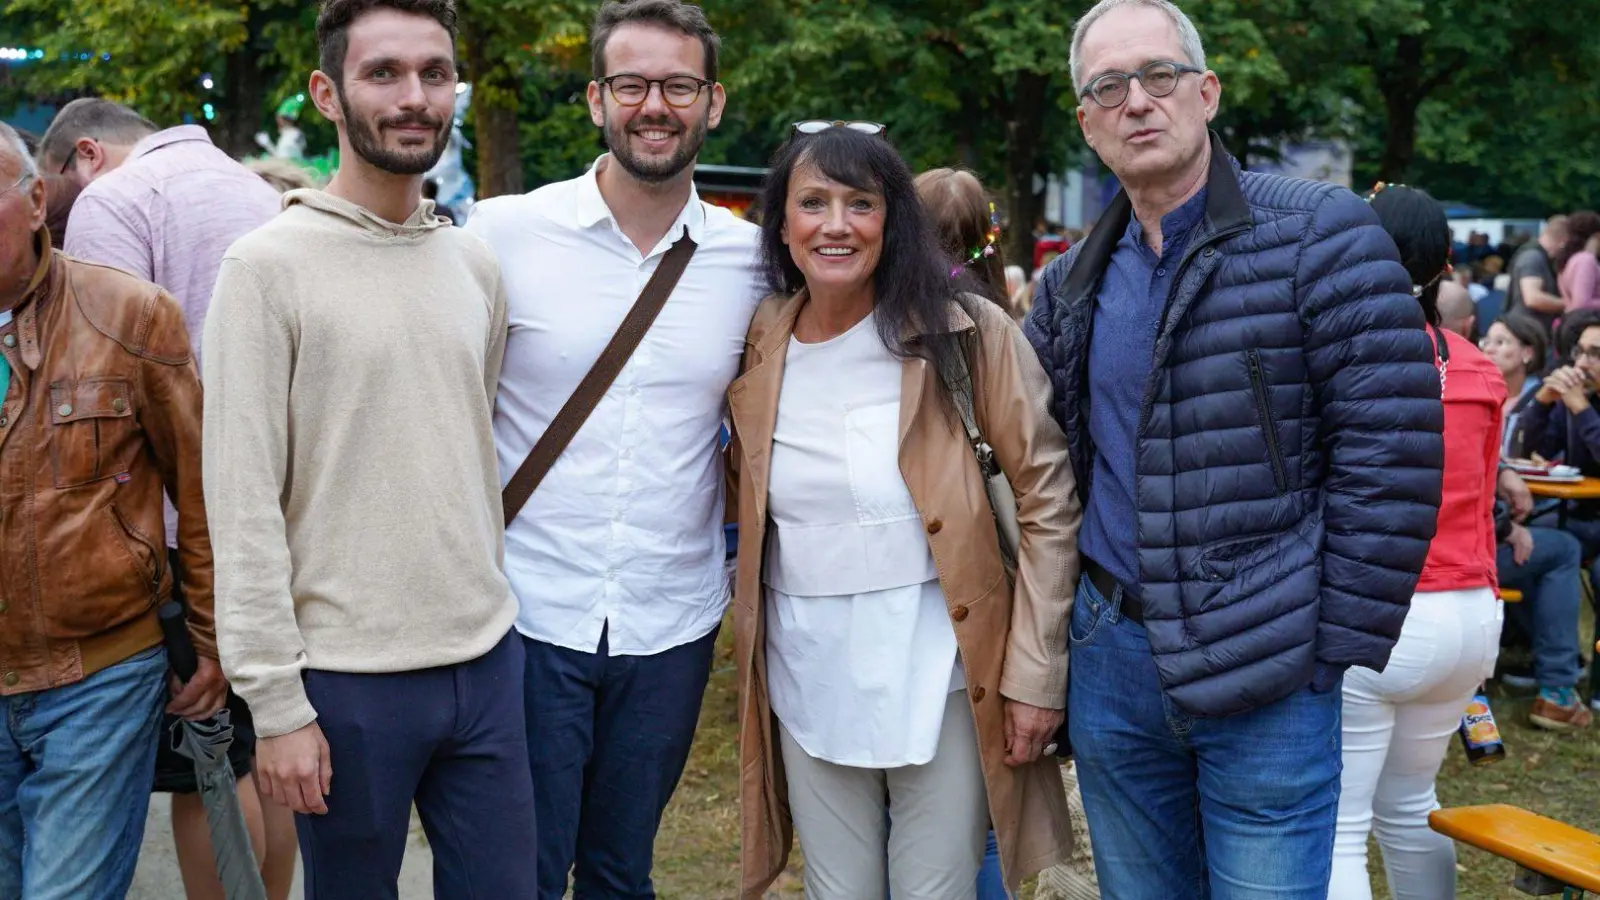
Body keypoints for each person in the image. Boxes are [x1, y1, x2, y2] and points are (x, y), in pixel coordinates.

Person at [1024, 2, 1445, 896]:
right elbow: (1051, 470)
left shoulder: (1321, 234)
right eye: (1109, 85)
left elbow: (1392, 457)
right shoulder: (1069, 287)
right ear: (1087, 120)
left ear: (1206, 92)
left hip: (1271, 668)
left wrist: (1327, 648)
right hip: (1114, 664)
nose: (1138, 100)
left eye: (1160, 76)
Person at [201, 1, 537, 896]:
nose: (415, 96)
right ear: (327, 92)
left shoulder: (473, 265)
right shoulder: (264, 270)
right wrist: (274, 706)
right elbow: (239, 507)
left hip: (488, 660)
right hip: (346, 684)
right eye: (383, 73)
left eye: (434, 73)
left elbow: (467, 444)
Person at [731, 122, 1077, 900]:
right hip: (807, 673)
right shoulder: (761, 342)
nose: (836, 224)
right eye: (812, 202)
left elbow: (1047, 499)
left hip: (946, 673)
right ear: (782, 224)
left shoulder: (968, 333)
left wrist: (1036, 673)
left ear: (894, 221)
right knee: (838, 890)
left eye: (862, 202)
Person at [462, 2, 760, 896]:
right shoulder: (502, 234)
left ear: (712, 102)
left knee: (623, 874)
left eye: (678, 85)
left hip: (670, 622)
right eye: (632, 84)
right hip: (525, 611)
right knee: (515, 872)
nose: (654, 106)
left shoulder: (752, 261)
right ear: (596, 100)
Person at [35, 94, 295, 900]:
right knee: (266, 746)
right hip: (278, 506)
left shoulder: (115, 203)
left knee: (205, 763)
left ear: (86, 155)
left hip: (184, 528)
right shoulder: (252, 188)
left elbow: (103, 384)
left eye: (49, 192)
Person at [0, 120, 224, 899]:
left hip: (98, 674)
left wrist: (210, 638)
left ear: (34, 201)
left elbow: (196, 484)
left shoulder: (130, 314)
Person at [1328, 184, 1505, 900]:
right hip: (1471, 616)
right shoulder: (1479, 367)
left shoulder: (1349, 360)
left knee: (1340, 824)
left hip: (1389, 615)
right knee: (1409, 807)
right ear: (1445, 267)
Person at [1479, 314, 1591, 728]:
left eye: (1594, 354)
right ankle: (1558, 687)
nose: (1582, 364)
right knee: (1559, 548)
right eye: (1579, 352)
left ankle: (1549, 669)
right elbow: (1520, 446)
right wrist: (1506, 526)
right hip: (1471, 543)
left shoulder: (1455, 383)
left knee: (1559, 545)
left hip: (1562, 511)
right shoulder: (1492, 391)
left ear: (1528, 353)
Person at [1506, 214, 1570, 336]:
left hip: (1529, 329)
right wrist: (1570, 304)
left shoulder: (1535, 255)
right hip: (1525, 331)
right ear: (1564, 241)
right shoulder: (1533, 257)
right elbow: (1533, 298)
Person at [1558, 210, 1600, 312]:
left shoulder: (1570, 259)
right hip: (1588, 325)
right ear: (1597, 234)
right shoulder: (1585, 260)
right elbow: (1581, 303)